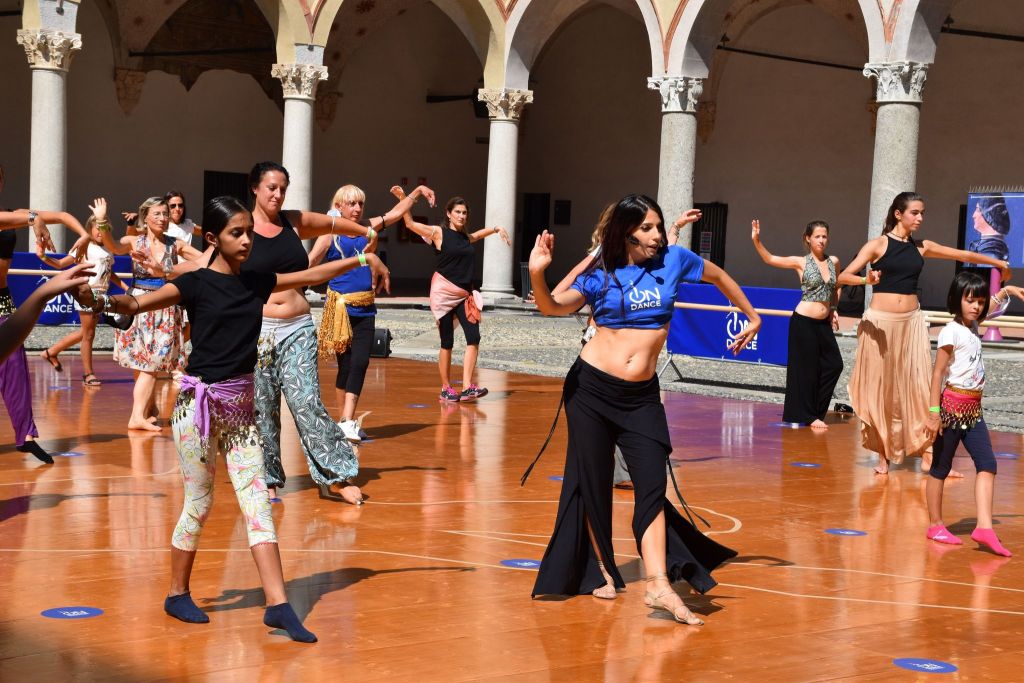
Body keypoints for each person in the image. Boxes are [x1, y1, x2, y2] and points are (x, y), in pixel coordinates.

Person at [81, 195, 390, 642]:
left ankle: (278, 606)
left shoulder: (256, 282)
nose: (247, 240)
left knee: (257, 503)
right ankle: (176, 593)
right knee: (199, 503)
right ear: (213, 238)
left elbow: (309, 275)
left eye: (248, 232)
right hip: (197, 412)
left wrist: (362, 257)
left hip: (241, 414)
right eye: (236, 233)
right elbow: (133, 305)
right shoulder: (195, 283)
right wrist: (95, 297)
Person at [527, 194, 760, 624]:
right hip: (591, 391)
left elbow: (719, 276)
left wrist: (752, 316)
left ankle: (657, 584)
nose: (657, 235)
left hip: (641, 398)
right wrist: (537, 274)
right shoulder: (602, 271)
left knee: (652, 484)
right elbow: (551, 306)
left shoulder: (674, 260)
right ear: (627, 233)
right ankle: (602, 569)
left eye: (658, 226)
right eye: (647, 228)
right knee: (592, 483)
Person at [243, 162, 433, 503]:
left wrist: (366, 234)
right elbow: (209, 261)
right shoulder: (241, 228)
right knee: (264, 407)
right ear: (255, 188)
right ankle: (267, 477)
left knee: (307, 403)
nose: (278, 194)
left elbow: (336, 223)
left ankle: (334, 476)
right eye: (271, 188)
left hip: (297, 328)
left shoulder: (293, 221)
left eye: (283, 188)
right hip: (260, 330)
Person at [839, 192, 1013, 474]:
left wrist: (996, 262)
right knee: (882, 390)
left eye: (922, 213)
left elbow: (962, 254)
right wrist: (865, 279)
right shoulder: (877, 245)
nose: (920, 218)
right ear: (898, 214)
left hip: (911, 323)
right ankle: (883, 454)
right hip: (880, 325)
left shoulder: (921, 247)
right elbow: (842, 276)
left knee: (919, 387)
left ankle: (929, 453)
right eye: (915, 212)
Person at [925, 271, 1023, 555]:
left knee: (988, 464)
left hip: (974, 411)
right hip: (951, 410)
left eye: (980, 302)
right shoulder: (951, 331)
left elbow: (990, 307)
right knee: (940, 468)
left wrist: (1007, 291)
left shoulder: (973, 325)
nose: (977, 307)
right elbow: (938, 373)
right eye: (970, 301)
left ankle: (984, 528)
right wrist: (934, 413)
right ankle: (935, 525)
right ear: (957, 299)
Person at [97, 197, 203, 431]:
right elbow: (113, 246)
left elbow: (203, 261)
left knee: (152, 363)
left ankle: (144, 411)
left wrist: (168, 270)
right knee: (143, 363)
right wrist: (102, 220)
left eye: (165, 214)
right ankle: (138, 415)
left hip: (164, 304)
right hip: (139, 305)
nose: (163, 218)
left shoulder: (176, 245)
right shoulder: (134, 241)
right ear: (145, 217)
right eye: (158, 214)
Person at [394, 191, 510, 402]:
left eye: (464, 213)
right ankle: (446, 388)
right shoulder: (439, 233)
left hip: (464, 295)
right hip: (444, 294)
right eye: (457, 212)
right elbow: (410, 224)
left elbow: (477, 235)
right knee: (447, 342)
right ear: (448, 214)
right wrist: (404, 199)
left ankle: (467, 387)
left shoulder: (465, 238)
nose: (461, 216)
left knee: (474, 337)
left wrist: (496, 229)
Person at [0, 207, 89, 464]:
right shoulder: (17, 217)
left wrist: (83, 235)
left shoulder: (13, 213)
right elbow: (27, 218)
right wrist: (33, 219)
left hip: (3, 302)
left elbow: (62, 216)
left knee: (15, 369)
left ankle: (26, 436)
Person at [308, 184, 383, 443]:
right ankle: (345, 421)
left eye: (360, 203)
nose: (357, 208)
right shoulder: (330, 234)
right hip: (340, 308)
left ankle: (347, 421)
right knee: (346, 366)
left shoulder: (366, 229)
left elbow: (393, 215)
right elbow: (311, 262)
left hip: (366, 308)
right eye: (352, 203)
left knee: (360, 362)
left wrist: (415, 194)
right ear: (339, 206)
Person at [751, 219, 843, 429]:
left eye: (824, 236)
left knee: (834, 364)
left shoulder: (834, 261)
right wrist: (756, 240)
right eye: (817, 236)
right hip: (803, 322)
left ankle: (815, 411)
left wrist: (833, 309)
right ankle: (809, 415)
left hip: (823, 324)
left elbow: (837, 286)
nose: (821, 240)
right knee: (805, 370)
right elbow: (770, 259)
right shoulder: (801, 262)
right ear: (808, 239)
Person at [37, 215, 124, 385]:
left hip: (101, 295)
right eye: (97, 227)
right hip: (86, 293)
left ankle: (51, 352)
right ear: (89, 229)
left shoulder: (109, 249)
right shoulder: (85, 245)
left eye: (104, 228)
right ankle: (88, 374)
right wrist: (43, 257)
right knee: (89, 334)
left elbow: (109, 272)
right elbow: (61, 264)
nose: (100, 232)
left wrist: (125, 286)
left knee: (85, 332)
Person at [968, 195, 1011, 262]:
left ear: (990, 214)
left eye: (978, 210)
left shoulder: (991, 254)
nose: (973, 215)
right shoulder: (984, 248)